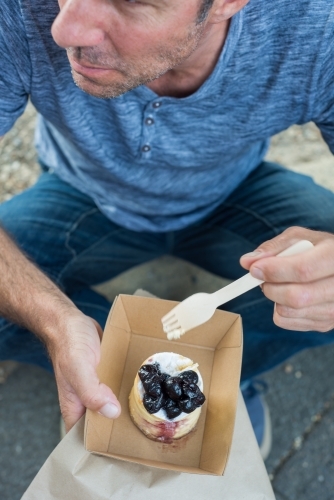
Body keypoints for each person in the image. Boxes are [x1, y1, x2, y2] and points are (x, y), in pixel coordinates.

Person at [0, 0, 333, 459]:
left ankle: (225, 375)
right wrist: (55, 322)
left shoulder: (315, 25)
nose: (63, 29)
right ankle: (102, 366)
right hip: (83, 195)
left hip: (231, 195)